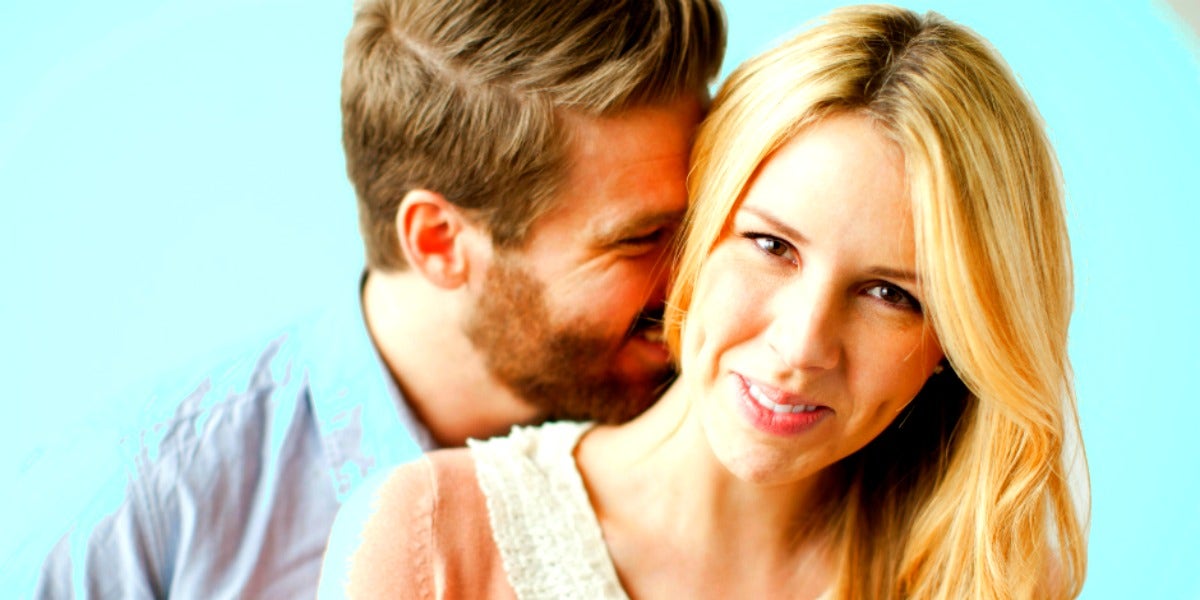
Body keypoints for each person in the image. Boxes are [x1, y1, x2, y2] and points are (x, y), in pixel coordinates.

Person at [323, 5, 1090, 599]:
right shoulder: (432, 535)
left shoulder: (993, 577)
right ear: (693, 234)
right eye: (771, 246)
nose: (800, 347)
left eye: (891, 294)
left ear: (951, 344)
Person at [34, 0, 725, 597]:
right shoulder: (136, 507)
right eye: (641, 240)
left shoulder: (730, 438)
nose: (701, 277)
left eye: (708, 218)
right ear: (439, 242)